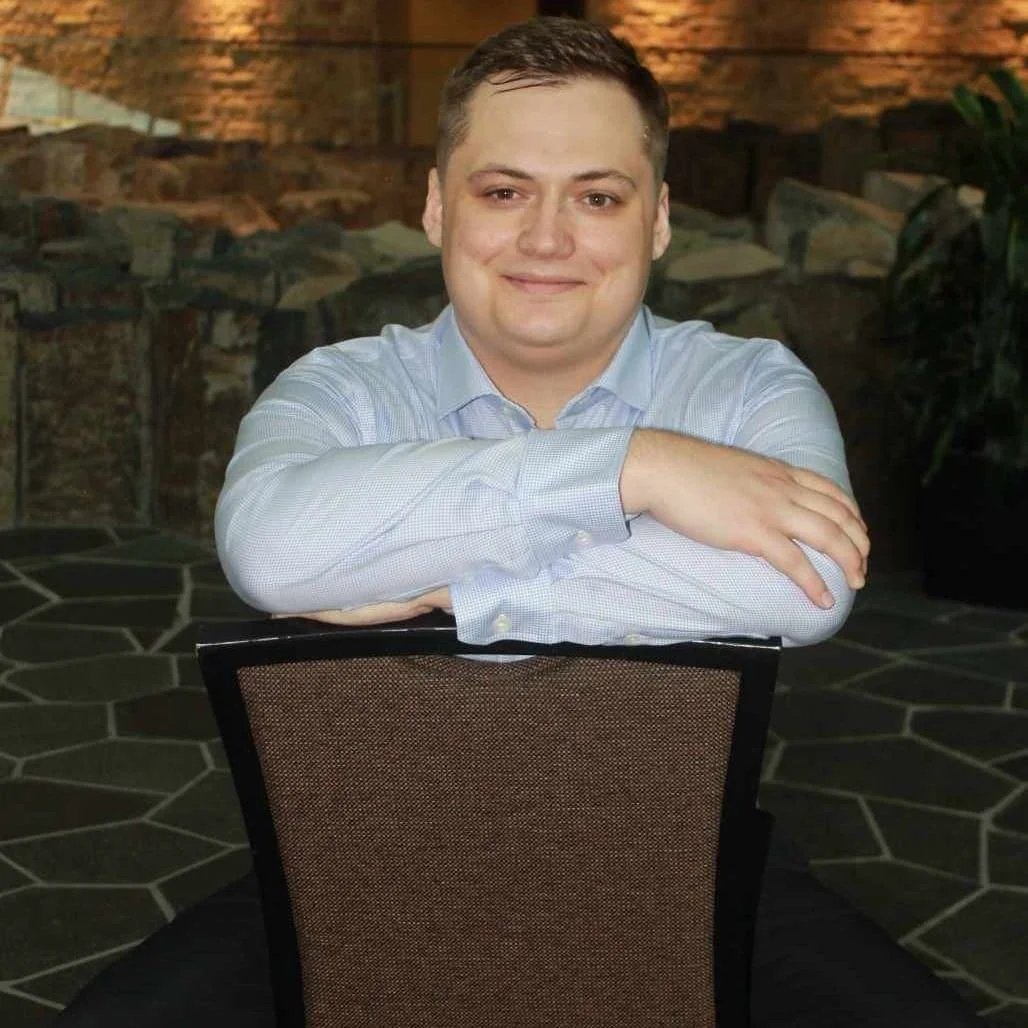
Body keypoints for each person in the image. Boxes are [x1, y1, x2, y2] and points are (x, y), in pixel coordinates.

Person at [56, 17, 978, 1027]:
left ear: (657, 219)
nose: (547, 238)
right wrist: (635, 469)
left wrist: (459, 594)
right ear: (435, 207)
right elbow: (272, 551)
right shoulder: (341, 390)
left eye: (595, 195)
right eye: (503, 192)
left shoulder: (744, 386)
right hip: (356, 863)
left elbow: (798, 580)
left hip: (687, 858)